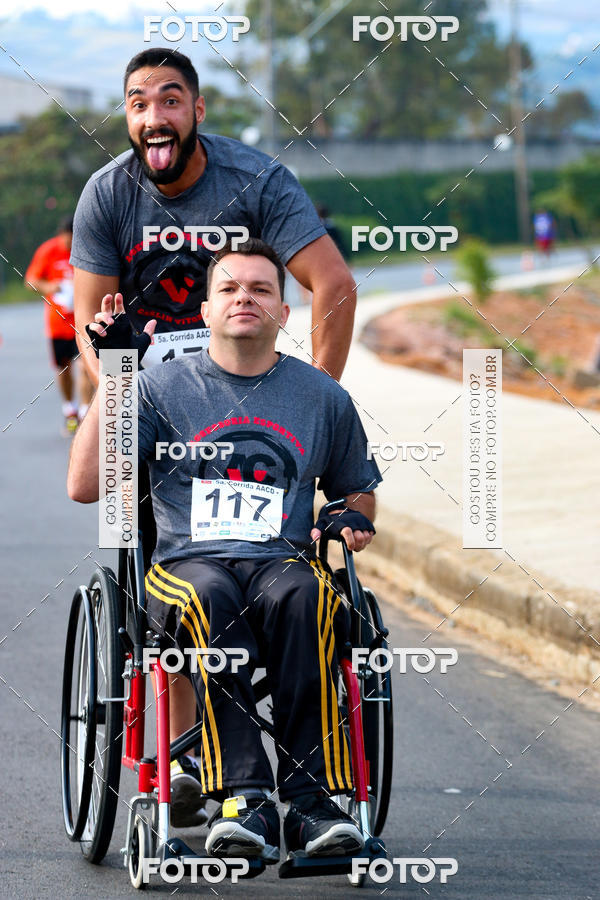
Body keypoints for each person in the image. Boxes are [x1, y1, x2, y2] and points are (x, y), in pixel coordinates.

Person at [70, 46, 357, 821]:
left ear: (197, 111)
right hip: (153, 396)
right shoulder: (108, 196)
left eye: (170, 100)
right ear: (128, 117)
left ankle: (296, 785)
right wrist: (136, 411)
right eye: (138, 102)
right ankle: (192, 749)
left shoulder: (256, 182)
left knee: (288, 582)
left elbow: (331, 283)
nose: (154, 115)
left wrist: (317, 403)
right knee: (179, 564)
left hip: (255, 397)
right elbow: (93, 331)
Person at [67, 239, 381, 863]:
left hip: (282, 565)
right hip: (185, 567)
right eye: (230, 289)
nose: (246, 299)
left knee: (310, 596)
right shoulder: (159, 388)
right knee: (211, 595)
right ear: (205, 311)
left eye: (262, 290)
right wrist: (118, 372)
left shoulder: (322, 398)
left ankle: (313, 807)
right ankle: (244, 800)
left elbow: (357, 492)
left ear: (284, 314)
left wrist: (349, 517)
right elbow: (84, 486)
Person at [24, 216, 93, 434]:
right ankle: (69, 409)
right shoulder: (48, 251)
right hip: (58, 325)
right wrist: (50, 287)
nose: (70, 246)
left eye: (74, 241)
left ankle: (84, 413)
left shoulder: (89, 248)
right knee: (64, 369)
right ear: (61, 235)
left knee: (85, 367)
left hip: (83, 323)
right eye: (67, 241)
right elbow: (30, 281)